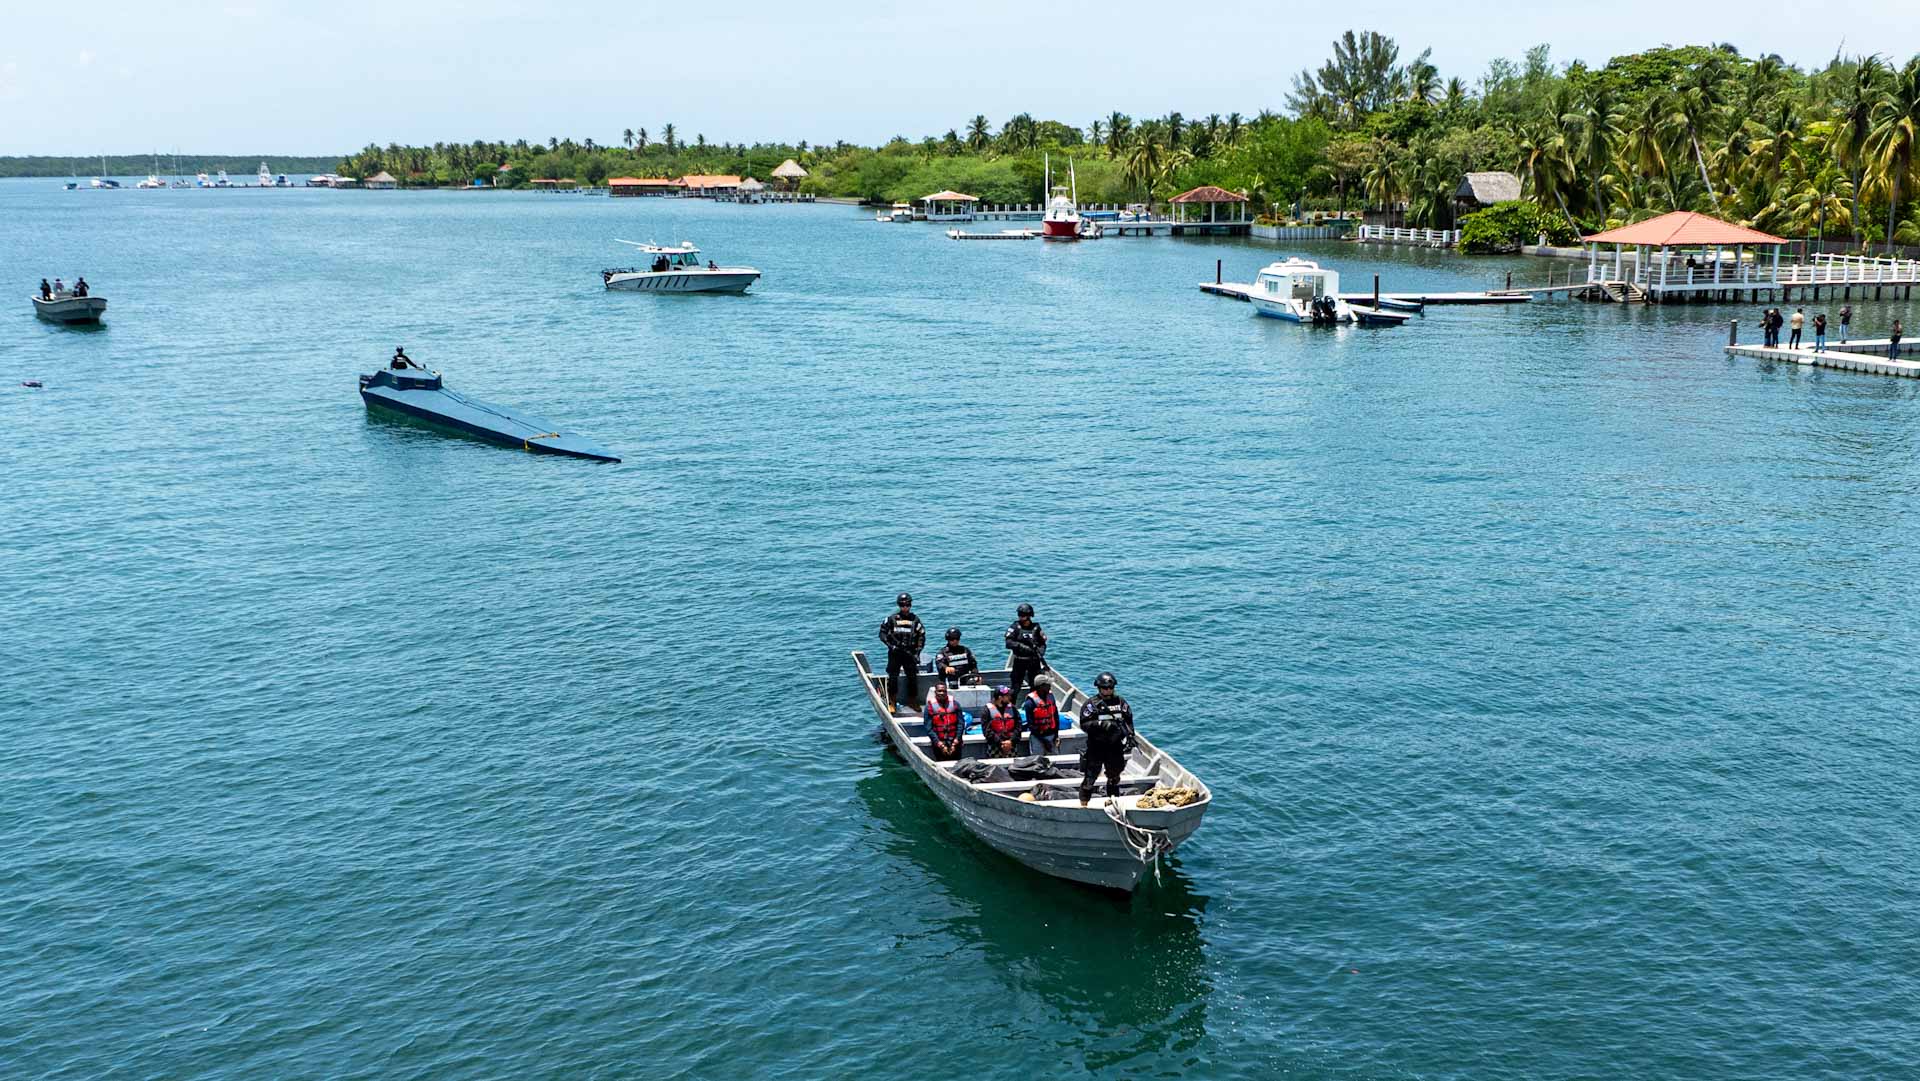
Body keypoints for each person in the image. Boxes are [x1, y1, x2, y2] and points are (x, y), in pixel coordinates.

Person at [1078, 672, 1135, 806]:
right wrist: (1101, 724)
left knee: (1114, 777)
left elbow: (1128, 720)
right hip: (1096, 746)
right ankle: (1084, 804)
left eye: (1111, 688)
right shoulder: (1091, 704)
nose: (1108, 690)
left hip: (1115, 746)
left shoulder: (1120, 702)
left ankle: (1113, 803)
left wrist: (1130, 736)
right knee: (1090, 778)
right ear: (1099, 688)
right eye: (1105, 688)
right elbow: (1084, 724)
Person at [878, 592, 926, 711]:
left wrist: (917, 652)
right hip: (895, 653)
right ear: (899, 605)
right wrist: (890, 646)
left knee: (912, 677)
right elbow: (882, 634)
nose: (905, 607)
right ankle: (892, 701)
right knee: (893, 677)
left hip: (910, 653)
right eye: (902, 605)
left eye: (907, 605)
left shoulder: (915, 619)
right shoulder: (891, 619)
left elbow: (921, 636)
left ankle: (912, 701)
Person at [1003, 603, 1048, 698]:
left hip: (1033, 661)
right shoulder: (1015, 627)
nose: (1020, 617)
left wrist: (1041, 652)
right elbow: (1008, 643)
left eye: (1022, 615)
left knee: (1035, 686)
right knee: (1015, 687)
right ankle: (1011, 705)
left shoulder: (1036, 628)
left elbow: (1042, 642)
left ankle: (1033, 704)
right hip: (1020, 661)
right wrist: (1022, 647)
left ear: (1029, 616)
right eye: (1019, 615)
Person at [923, 681, 964, 761]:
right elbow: (929, 728)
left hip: (955, 742)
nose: (942, 693)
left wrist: (956, 741)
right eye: (939, 691)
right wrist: (940, 744)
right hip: (939, 743)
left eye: (944, 691)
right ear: (935, 692)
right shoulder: (929, 707)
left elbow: (961, 723)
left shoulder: (955, 704)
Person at [1023, 675, 1063, 756]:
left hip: (1052, 736)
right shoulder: (1030, 703)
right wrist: (1044, 741)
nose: (1050, 686)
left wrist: (1056, 735)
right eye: (1048, 685)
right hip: (1038, 737)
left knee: (1054, 759)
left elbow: (1055, 717)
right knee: (1037, 760)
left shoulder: (1051, 697)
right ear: (1041, 687)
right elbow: (1031, 725)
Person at [980, 685, 1021, 759]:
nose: (1009, 697)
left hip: (1011, 745)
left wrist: (1011, 741)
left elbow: (1018, 726)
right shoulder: (987, 710)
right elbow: (987, 730)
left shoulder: (1013, 709)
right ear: (1000, 697)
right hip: (995, 746)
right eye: (1007, 696)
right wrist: (1000, 743)